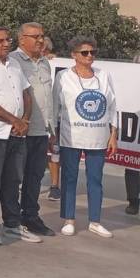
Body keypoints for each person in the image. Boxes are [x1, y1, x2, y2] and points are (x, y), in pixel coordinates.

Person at [0, 26, 41, 245]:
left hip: (17, 134)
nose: (6, 44)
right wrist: (15, 120)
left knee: (13, 180)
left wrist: (25, 121)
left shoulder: (14, 64)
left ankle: (12, 224)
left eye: (7, 39)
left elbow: (26, 94)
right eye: (0, 41)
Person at [52, 37, 118, 238]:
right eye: (84, 52)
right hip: (71, 136)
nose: (90, 56)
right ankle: (69, 219)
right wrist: (53, 134)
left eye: (92, 52)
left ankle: (95, 221)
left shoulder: (104, 75)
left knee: (95, 180)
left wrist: (113, 134)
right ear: (74, 55)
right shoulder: (63, 77)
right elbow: (55, 108)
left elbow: (112, 107)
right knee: (70, 178)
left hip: (98, 136)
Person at [9, 23, 57, 236]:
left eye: (42, 36)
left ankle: (31, 216)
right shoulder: (12, 61)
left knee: (35, 176)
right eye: (35, 36)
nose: (40, 40)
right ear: (21, 39)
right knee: (13, 178)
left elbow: (49, 98)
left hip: (41, 131)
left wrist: (52, 129)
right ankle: (12, 220)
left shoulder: (45, 63)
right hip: (20, 130)